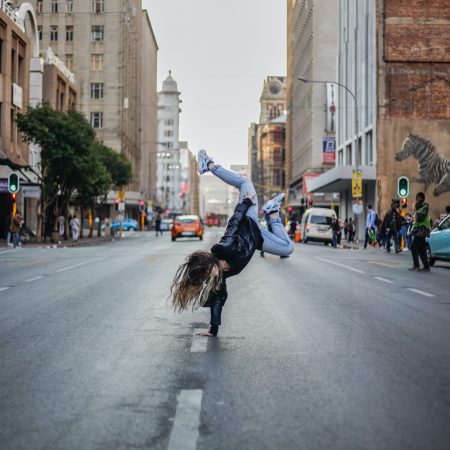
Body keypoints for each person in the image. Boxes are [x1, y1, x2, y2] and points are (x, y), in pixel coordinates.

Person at [169, 150, 294, 337]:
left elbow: (234, 223)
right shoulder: (218, 280)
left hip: (248, 221)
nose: (210, 276)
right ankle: (272, 212)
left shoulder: (222, 249)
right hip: (258, 239)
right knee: (288, 248)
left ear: (209, 265)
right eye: (206, 277)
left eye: (207, 272)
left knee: (245, 182)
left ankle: (209, 165)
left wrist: (245, 204)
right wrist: (213, 331)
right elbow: (218, 301)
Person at [409, 192, 431, 272]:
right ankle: (426, 267)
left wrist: (417, 211)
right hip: (419, 230)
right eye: (416, 197)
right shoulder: (419, 208)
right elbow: (416, 223)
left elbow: (421, 219)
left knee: (413, 247)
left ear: (422, 198)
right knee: (422, 249)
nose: (417, 199)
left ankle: (416, 266)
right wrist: (412, 232)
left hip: (423, 230)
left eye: (419, 197)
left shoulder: (425, 207)